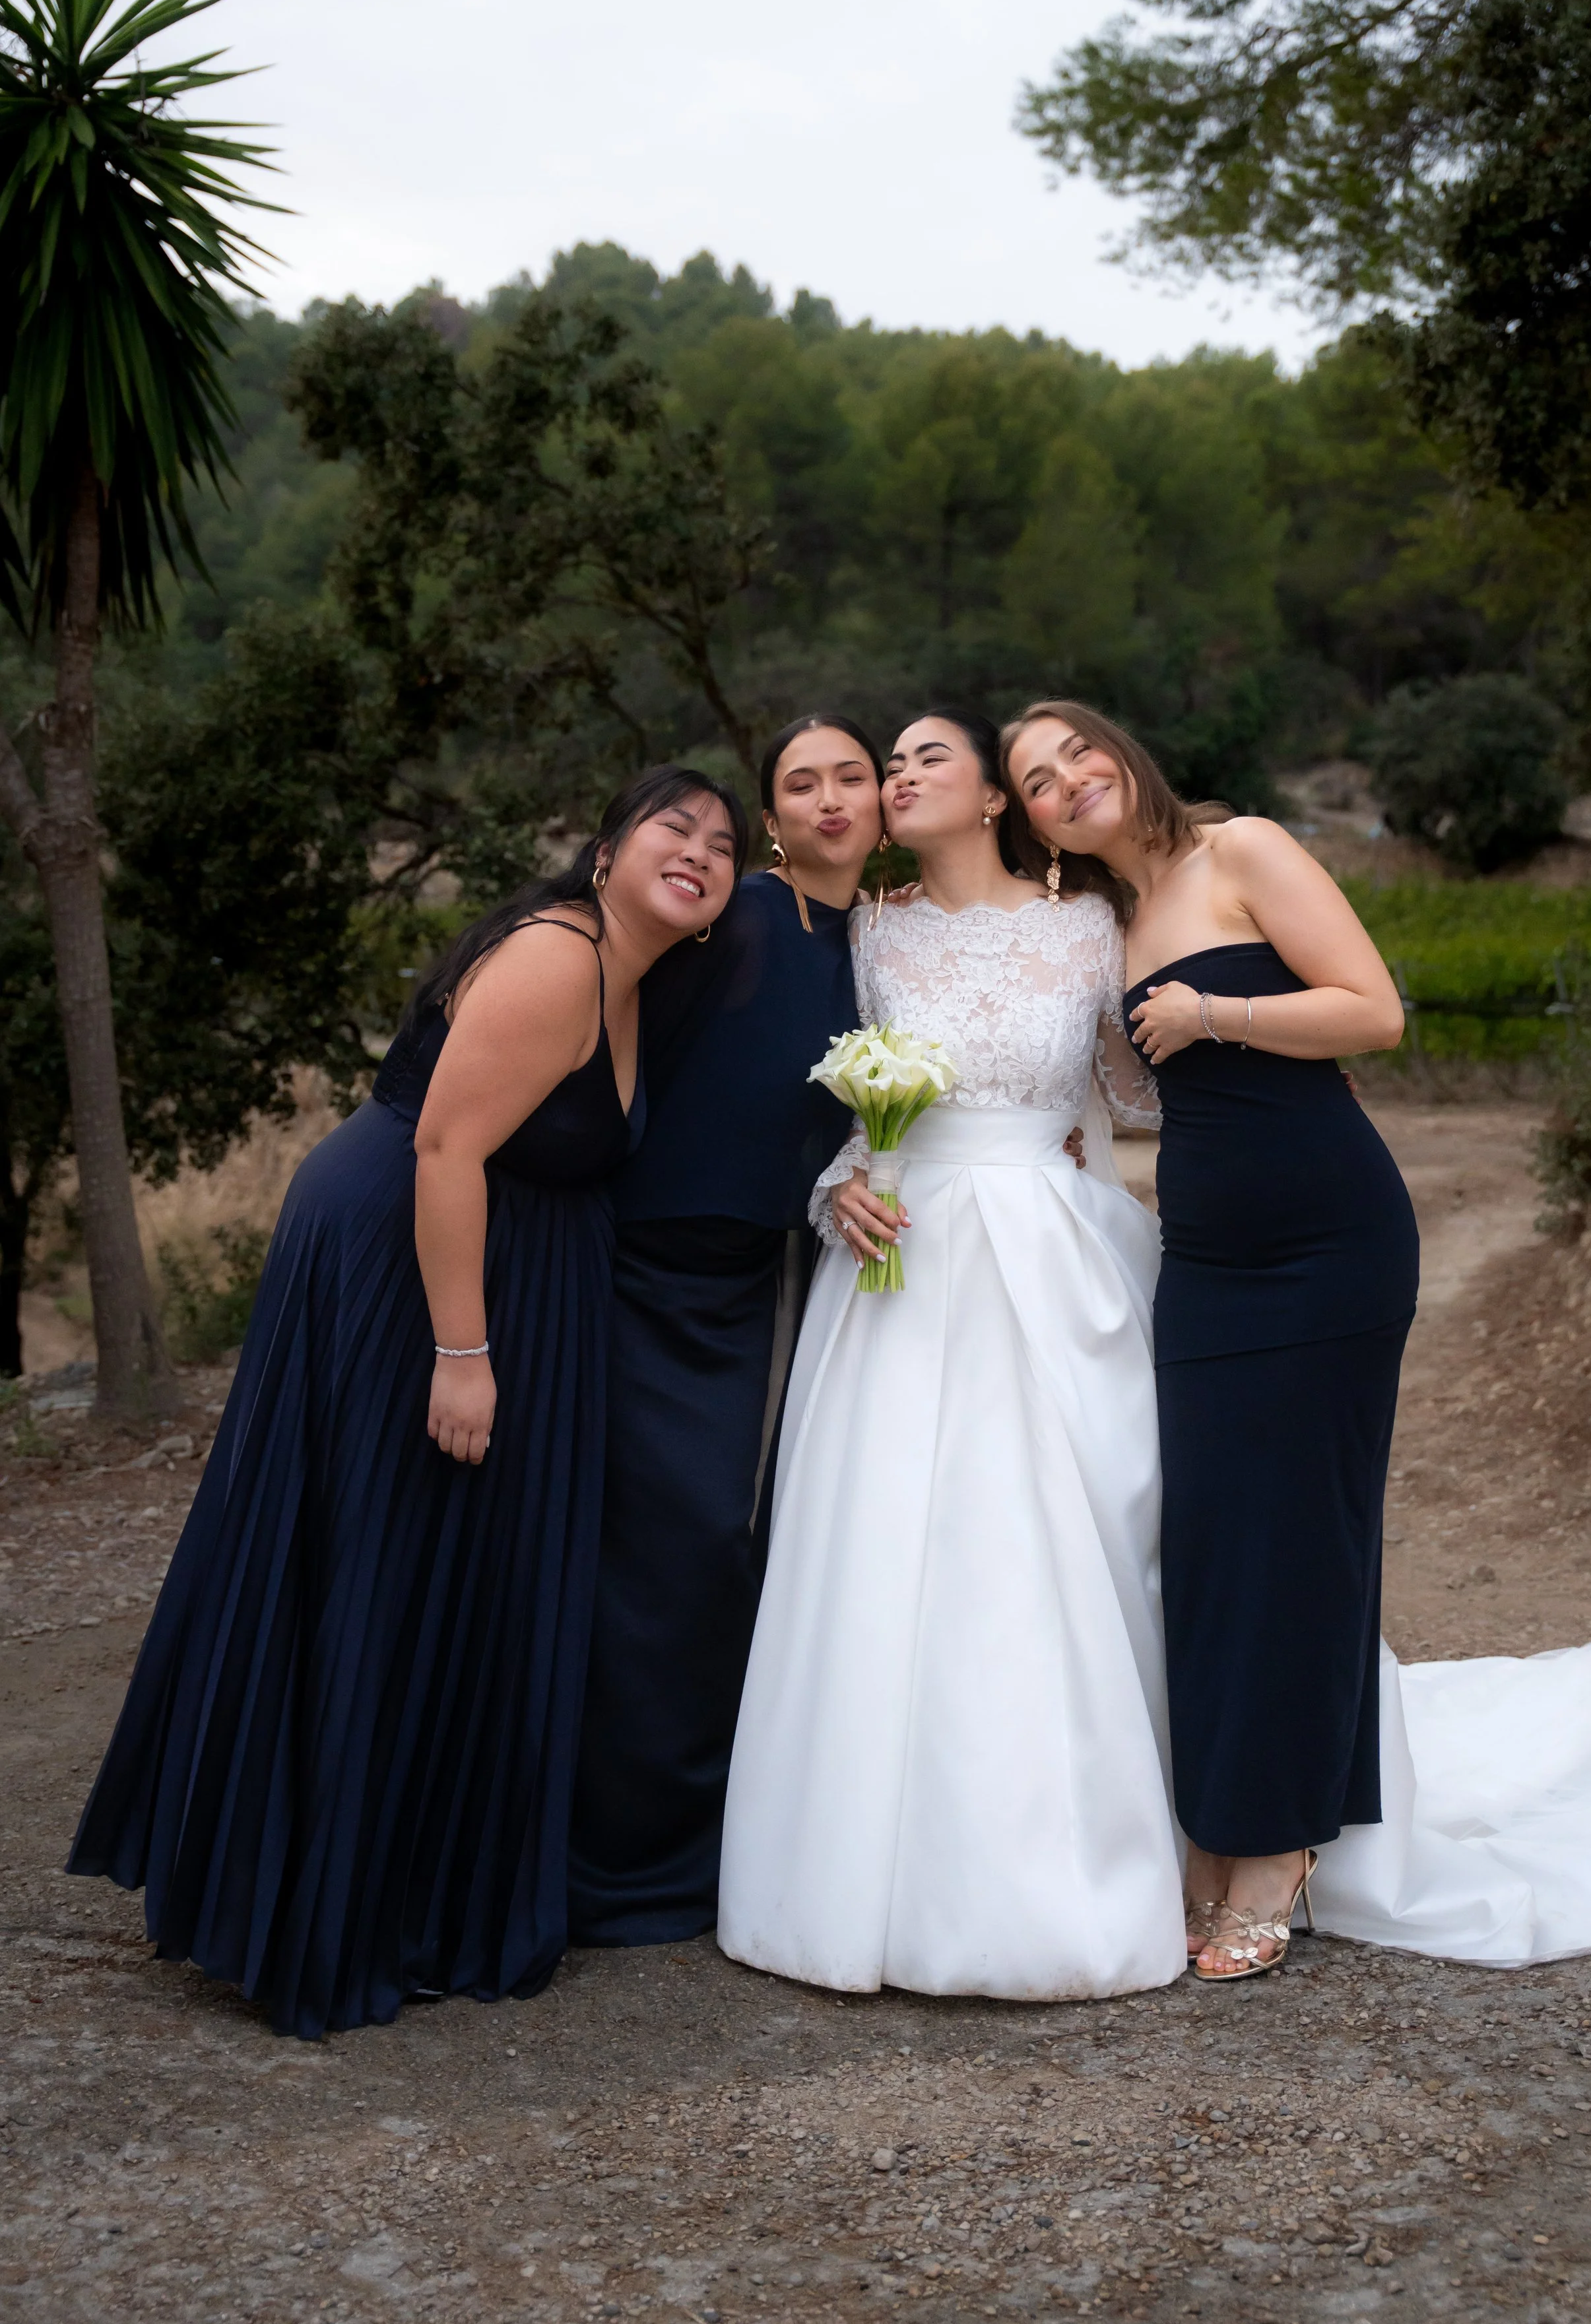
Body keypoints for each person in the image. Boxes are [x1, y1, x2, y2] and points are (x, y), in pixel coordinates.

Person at [67, 768, 745, 2038]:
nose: (700, 851)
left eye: (721, 845)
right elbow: (445, 1147)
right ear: (604, 851)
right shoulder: (559, 955)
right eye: (675, 825)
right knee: (376, 1550)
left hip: (471, 1269)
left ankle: (383, 1878)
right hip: (408, 1265)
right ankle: (318, 1905)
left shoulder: (635, 978)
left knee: (438, 1565)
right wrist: (463, 1349)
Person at [1003, 697, 1591, 1978]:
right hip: (1204, 1266)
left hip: (1328, 1251)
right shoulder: (1101, 928)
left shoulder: (1238, 851)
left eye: (1076, 750)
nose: (1066, 779)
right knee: (1203, 1545)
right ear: (1027, 820)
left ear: (1121, 753)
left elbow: (1372, 1011)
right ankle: (1219, 1813)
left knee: (1299, 1542)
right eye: (1033, 778)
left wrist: (1215, 1016)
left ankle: (1276, 1845)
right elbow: (1104, 1090)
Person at [717, 709, 1188, 2000]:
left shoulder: (1083, 928)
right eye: (891, 764)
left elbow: (1140, 1094)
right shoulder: (863, 932)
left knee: (1057, 1540)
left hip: (1048, 1252)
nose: (899, 777)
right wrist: (837, 1194)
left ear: (991, 800)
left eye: (928, 758)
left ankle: (1083, 1851)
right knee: (881, 1554)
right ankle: (859, 1873)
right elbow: (837, 1117)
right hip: (897, 1269)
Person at [568, 715, 884, 1948]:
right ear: (775, 819)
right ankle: (616, 1862)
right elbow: (611, 1026)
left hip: (773, 1276)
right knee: (660, 1555)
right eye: (801, 785)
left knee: (729, 1551)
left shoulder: (879, 936)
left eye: (850, 777)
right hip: (651, 1276)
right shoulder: (740, 915)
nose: (829, 800)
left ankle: (704, 1835)